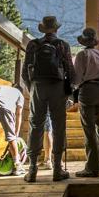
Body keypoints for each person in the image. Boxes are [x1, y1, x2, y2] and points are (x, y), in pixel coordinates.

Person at [22, 16, 75, 182]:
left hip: (38, 85)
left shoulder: (33, 44)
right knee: (58, 125)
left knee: (36, 124)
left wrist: (32, 87)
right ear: (56, 29)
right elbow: (70, 71)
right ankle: (57, 169)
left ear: (42, 29)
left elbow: (25, 71)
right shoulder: (62, 44)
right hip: (57, 86)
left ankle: (32, 170)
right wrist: (68, 90)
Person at [73, 28, 99, 177]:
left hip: (88, 91)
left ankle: (91, 168)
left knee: (89, 130)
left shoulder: (82, 54)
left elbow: (77, 78)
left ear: (83, 41)